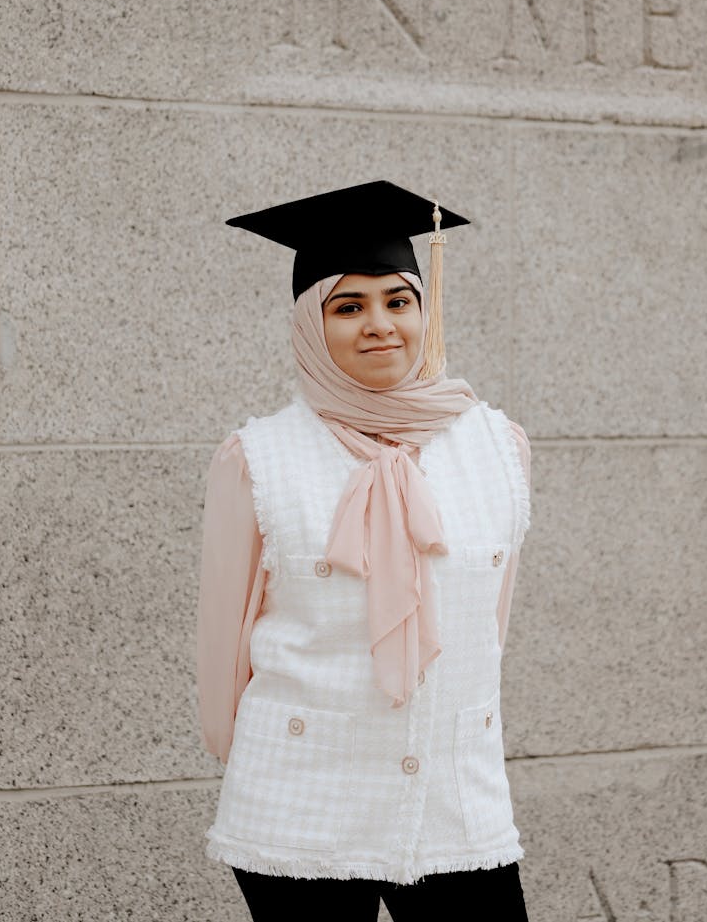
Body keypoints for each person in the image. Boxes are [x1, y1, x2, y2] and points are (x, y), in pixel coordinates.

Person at [197, 181, 532, 921]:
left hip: (455, 800)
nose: (379, 324)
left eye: (397, 300)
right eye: (348, 307)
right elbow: (225, 645)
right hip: (301, 797)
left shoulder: (497, 448)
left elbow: (488, 624)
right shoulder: (258, 458)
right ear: (312, 324)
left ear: (425, 309)